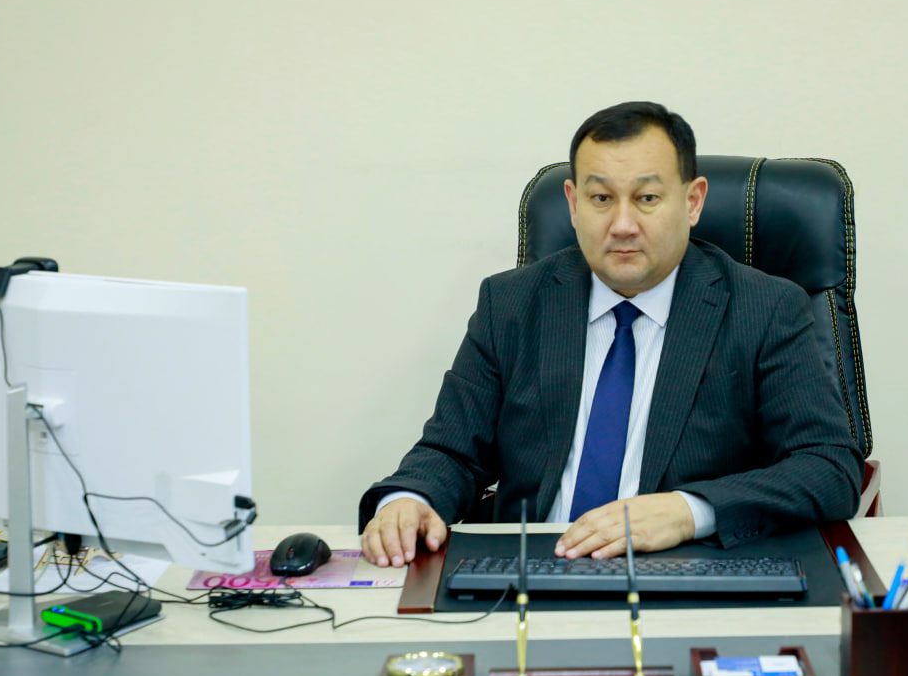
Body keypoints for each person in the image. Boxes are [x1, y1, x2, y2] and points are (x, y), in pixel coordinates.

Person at [359, 101, 863, 567]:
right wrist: (409, 500)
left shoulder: (765, 309)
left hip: (687, 573)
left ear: (692, 202)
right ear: (574, 203)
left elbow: (828, 466)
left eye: (647, 198)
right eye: (601, 198)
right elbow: (451, 451)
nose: (622, 224)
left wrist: (689, 511)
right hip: (527, 576)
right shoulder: (510, 304)